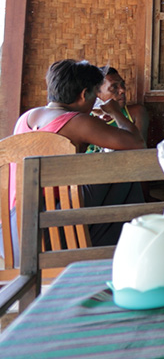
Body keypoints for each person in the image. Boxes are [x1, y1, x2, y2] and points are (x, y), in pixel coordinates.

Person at [12, 60, 146, 246]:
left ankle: (111, 245)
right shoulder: (77, 121)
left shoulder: (26, 117)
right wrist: (116, 113)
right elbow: (137, 144)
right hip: (51, 229)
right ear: (84, 94)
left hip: (14, 228)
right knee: (126, 172)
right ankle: (130, 245)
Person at [92, 65, 150, 147]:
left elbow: (139, 148)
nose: (122, 90)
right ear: (97, 93)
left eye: (122, 84)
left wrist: (115, 113)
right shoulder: (87, 117)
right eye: (114, 87)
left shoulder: (135, 113)